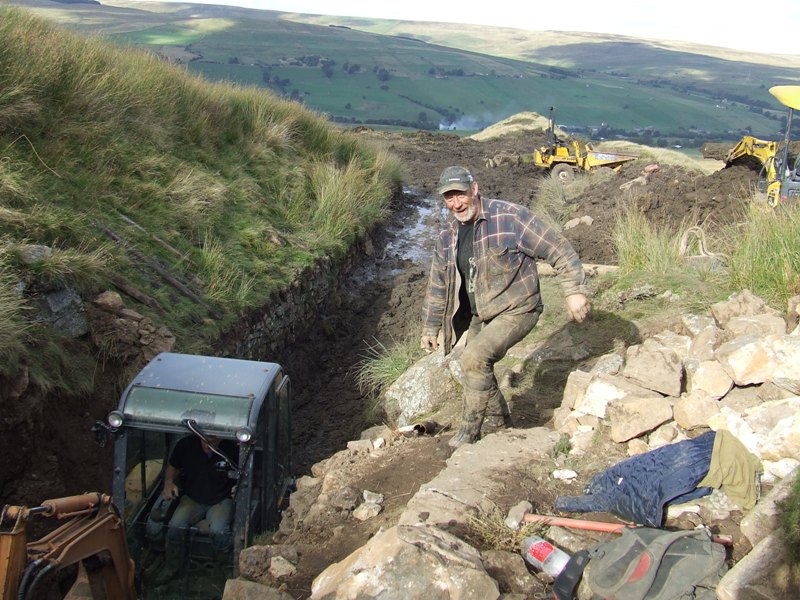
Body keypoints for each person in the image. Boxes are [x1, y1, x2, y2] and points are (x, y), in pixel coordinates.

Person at [420, 166, 591, 448]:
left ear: (474, 189)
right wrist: (430, 326)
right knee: (472, 366)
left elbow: (557, 248)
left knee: (474, 359)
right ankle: (501, 425)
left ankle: (468, 433)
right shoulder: (447, 236)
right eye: (448, 198)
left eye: (460, 194)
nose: (456, 203)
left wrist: (574, 292)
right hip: (481, 312)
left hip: (518, 308)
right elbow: (439, 284)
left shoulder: (510, 218)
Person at [153, 435, 238, 583]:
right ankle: (172, 567)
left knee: (219, 531)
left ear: (221, 438)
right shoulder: (185, 445)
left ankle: (225, 571)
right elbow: (173, 467)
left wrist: (237, 487)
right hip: (193, 498)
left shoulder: (232, 449)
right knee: (174, 526)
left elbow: (244, 474)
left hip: (220, 500)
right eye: (205, 440)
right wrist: (168, 482)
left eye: (213, 442)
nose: (208, 445)